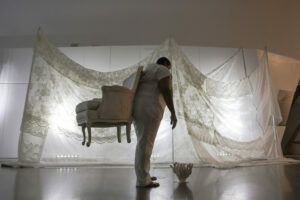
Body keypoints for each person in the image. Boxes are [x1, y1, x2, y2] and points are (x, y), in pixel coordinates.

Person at [133, 57, 177, 188]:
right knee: (145, 144)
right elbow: (165, 90)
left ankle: (143, 175)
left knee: (142, 143)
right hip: (150, 109)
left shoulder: (148, 69)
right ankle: (143, 180)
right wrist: (173, 112)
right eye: (169, 68)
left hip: (139, 108)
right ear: (166, 64)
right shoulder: (162, 69)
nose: (169, 71)